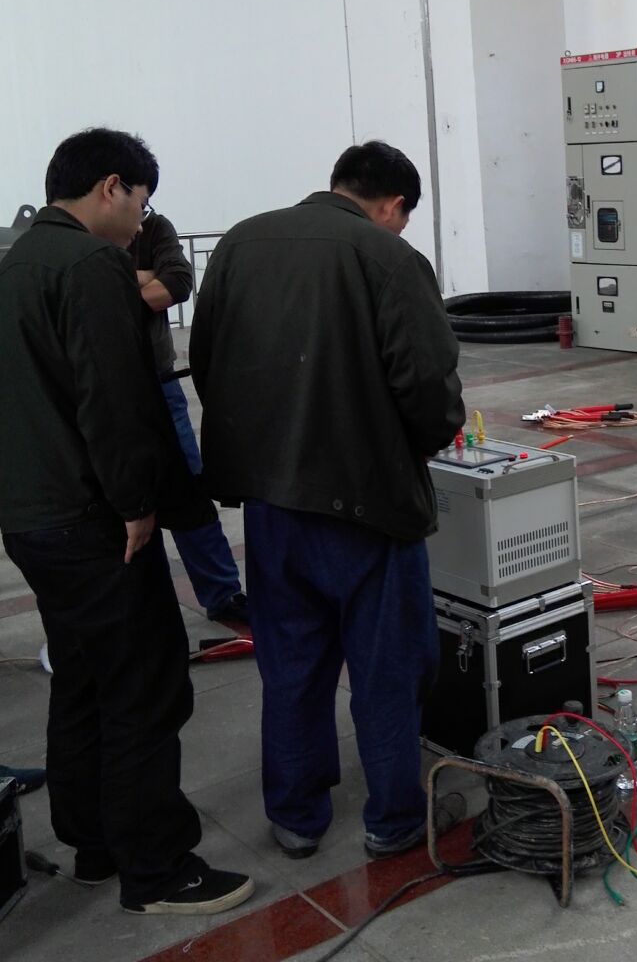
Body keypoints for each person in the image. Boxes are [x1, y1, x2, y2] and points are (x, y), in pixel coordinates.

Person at [0, 128, 253, 915]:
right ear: (111, 186)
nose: (142, 219)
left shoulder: (16, 263)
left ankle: (94, 844)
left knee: (82, 676)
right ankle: (159, 870)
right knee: (144, 684)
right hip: (92, 518)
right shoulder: (90, 266)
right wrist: (138, 504)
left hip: (32, 518)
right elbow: (113, 401)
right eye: (140, 201)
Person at [190, 141, 465, 861]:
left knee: (291, 664)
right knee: (387, 667)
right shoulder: (389, 257)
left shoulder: (240, 245)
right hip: (368, 508)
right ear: (393, 205)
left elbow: (208, 363)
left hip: (272, 505)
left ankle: (296, 815)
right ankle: (393, 818)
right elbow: (428, 387)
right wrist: (421, 442)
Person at [130, 210, 248, 625]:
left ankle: (222, 592)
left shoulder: (154, 227)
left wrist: (112, 290)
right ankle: (133, 604)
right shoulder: (78, 242)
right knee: (115, 499)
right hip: (101, 389)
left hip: (160, 384)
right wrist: (143, 278)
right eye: (136, 201)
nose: (140, 219)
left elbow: (177, 284)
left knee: (189, 490)